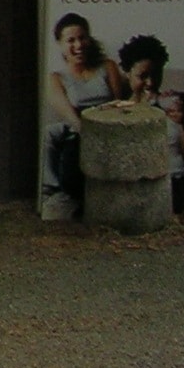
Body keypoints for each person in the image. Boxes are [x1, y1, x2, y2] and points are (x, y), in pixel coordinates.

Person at [39, 11, 124, 219]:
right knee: (53, 135)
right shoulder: (57, 78)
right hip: (80, 130)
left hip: (109, 125)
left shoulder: (107, 67)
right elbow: (69, 115)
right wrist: (86, 131)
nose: (78, 45)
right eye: (71, 40)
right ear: (60, 44)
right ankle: (54, 192)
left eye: (82, 38)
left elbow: (118, 102)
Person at [118, 33, 184, 214]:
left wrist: (181, 124)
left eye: (156, 74)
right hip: (144, 188)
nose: (150, 82)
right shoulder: (120, 112)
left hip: (180, 184)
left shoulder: (178, 102)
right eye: (142, 76)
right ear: (128, 73)